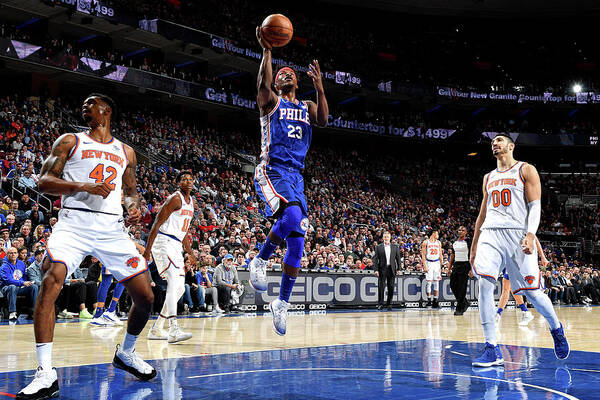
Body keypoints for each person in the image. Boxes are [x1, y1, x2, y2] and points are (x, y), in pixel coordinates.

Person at [18, 93, 156, 400]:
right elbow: (43, 182)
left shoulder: (126, 152)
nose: (84, 105)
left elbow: (131, 191)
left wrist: (134, 208)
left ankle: (127, 353)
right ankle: (45, 373)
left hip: (112, 228)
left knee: (146, 297)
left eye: (91, 103)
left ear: (106, 110)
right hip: (74, 223)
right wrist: (83, 186)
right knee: (52, 277)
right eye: (83, 103)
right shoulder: (70, 141)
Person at [248, 26, 328, 336]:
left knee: (297, 245)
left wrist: (320, 88)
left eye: (290, 74)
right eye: (281, 74)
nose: (286, 75)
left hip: (296, 176)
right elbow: (262, 82)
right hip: (272, 169)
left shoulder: (307, 107)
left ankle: (281, 303)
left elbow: (323, 120)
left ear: (297, 82)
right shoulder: (271, 102)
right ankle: (260, 259)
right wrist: (268, 53)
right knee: (292, 215)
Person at [470, 133, 569, 368]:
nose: (495, 143)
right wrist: (474, 245)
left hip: (517, 234)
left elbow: (535, 206)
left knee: (533, 293)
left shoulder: (526, 170)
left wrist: (531, 234)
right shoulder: (488, 177)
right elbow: (482, 215)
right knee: (484, 284)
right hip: (491, 233)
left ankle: (556, 328)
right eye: (492, 141)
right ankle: (491, 347)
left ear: (511, 146)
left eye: (500, 140)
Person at [144, 171, 196, 344]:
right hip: (164, 241)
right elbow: (157, 222)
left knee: (179, 289)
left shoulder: (191, 202)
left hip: (176, 244)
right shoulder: (175, 198)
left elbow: (185, 231)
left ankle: (157, 328)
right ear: (178, 182)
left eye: (190, 179)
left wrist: (190, 252)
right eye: (184, 179)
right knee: (173, 281)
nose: (188, 181)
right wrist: (147, 250)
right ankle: (173, 329)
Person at [495, 237, 546, 326]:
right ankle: (524, 312)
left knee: (512, 288)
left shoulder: (526, 228)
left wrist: (542, 256)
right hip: (508, 259)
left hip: (520, 260)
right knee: (510, 288)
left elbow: (535, 240)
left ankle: (498, 315)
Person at [0, 247, 38, 320]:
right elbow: (8, 281)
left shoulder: (21, 264)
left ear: (17, 254)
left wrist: (28, 283)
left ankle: (33, 311)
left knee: (34, 287)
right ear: (7, 255)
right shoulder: (4, 266)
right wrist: (23, 283)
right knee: (12, 287)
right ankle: (12, 312)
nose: (13, 255)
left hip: (20, 287)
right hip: (6, 288)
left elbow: (23, 276)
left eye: (15, 253)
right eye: (11, 253)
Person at [372, 232, 402, 310]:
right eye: (385, 237)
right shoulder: (378, 247)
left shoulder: (395, 247)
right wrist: (375, 270)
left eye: (387, 237)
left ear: (390, 238)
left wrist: (399, 269)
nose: (386, 238)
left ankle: (389, 304)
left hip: (392, 269)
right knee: (381, 287)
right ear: (383, 238)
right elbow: (375, 259)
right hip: (382, 269)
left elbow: (398, 259)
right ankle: (380, 304)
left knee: (391, 287)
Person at [448, 226, 471, 316]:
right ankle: (464, 302)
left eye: (463, 230)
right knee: (453, 285)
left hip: (465, 265)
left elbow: (472, 254)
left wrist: (472, 269)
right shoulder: (454, 242)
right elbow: (452, 256)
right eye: (459, 230)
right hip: (456, 265)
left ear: (466, 232)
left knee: (462, 287)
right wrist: (449, 268)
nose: (460, 231)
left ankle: (460, 308)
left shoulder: (469, 242)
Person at [421, 230, 442, 308]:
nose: (438, 235)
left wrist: (441, 264)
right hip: (429, 262)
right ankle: (429, 300)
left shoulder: (439, 242)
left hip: (436, 263)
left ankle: (435, 301)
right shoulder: (426, 242)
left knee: (436, 282)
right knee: (429, 283)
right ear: (433, 233)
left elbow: (440, 254)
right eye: (437, 233)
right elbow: (423, 255)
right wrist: (425, 265)